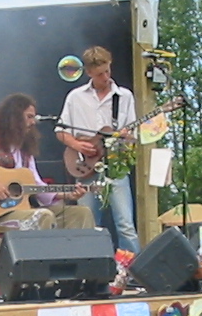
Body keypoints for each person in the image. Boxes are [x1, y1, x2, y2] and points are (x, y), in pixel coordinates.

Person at [0, 93, 94, 234]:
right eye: (29, 117)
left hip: (22, 211)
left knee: (81, 213)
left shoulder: (25, 149)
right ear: (14, 117)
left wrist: (67, 195)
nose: (33, 122)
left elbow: (37, 186)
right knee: (43, 216)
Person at [54, 45, 140, 253]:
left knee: (126, 225)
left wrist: (127, 137)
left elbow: (134, 135)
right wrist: (76, 145)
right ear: (89, 72)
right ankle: (91, 265)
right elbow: (60, 131)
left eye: (108, 70)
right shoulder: (75, 97)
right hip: (85, 168)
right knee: (88, 224)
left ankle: (132, 268)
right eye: (100, 74)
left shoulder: (124, 96)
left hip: (115, 166)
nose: (106, 77)